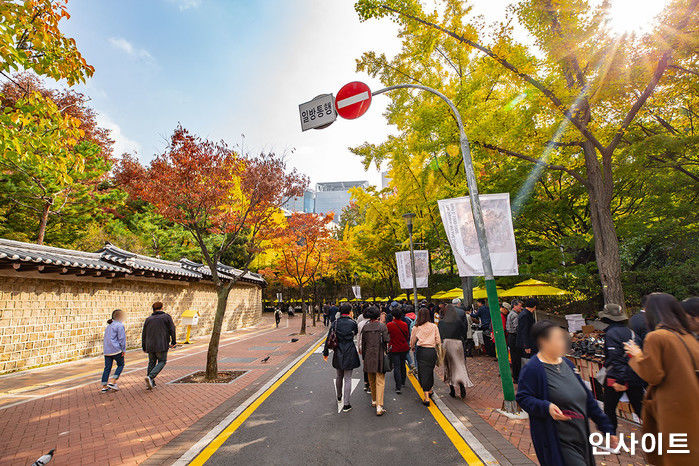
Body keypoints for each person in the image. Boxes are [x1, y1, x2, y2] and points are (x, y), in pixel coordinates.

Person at [516, 320, 616, 466]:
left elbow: (587, 399)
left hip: (581, 437)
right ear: (544, 342)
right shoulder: (533, 369)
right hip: (557, 441)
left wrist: (607, 428)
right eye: (557, 338)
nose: (563, 342)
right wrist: (546, 407)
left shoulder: (567, 364)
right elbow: (523, 398)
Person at [624, 293, 699, 466]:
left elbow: (653, 375)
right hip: (692, 405)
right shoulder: (689, 337)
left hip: (673, 408)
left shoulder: (657, 337)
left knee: (675, 456)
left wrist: (636, 355)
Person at [598, 303, 643, 432]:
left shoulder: (611, 333)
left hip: (617, 377)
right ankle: (657, 433)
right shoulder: (631, 332)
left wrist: (620, 381)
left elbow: (615, 359)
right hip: (635, 375)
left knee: (609, 409)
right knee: (640, 408)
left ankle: (610, 436)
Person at [322, 303, 360, 412]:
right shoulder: (353, 323)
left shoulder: (335, 323)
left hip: (338, 351)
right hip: (350, 350)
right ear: (349, 311)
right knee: (348, 378)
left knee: (339, 375)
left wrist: (325, 352)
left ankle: (339, 396)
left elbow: (328, 337)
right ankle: (347, 404)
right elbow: (355, 333)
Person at [438, 304, 474, 398]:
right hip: (458, 344)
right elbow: (464, 331)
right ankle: (462, 386)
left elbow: (440, 335)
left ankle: (452, 389)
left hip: (446, 344)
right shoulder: (458, 321)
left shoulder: (441, 323)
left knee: (448, 366)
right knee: (459, 364)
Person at [360, 306, 390, 416]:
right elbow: (387, 340)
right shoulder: (382, 326)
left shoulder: (365, 327)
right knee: (380, 380)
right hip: (379, 355)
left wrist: (363, 357)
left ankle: (373, 400)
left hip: (368, 355)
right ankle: (379, 406)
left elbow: (363, 344)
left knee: (371, 379)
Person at [410, 307, 441, 406]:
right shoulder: (434, 326)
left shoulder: (416, 327)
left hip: (422, 351)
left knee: (423, 372)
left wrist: (412, 347)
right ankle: (430, 389)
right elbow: (438, 341)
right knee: (430, 371)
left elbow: (412, 340)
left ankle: (426, 397)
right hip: (431, 351)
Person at [141, 301, 176, 389]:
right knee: (162, 361)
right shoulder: (166, 317)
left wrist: (144, 346)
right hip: (161, 344)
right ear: (162, 308)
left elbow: (144, 333)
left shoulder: (148, 319)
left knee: (151, 362)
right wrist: (173, 342)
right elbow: (172, 329)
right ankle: (150, 377)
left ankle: (150, 383)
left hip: (150, 345)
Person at [386, 307, 410, 394]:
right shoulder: (404, 324)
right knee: (403, 364)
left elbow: (387, 336)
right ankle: (403, 381)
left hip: (394, 347)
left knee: (396, 366)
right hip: (403, 347)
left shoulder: (389, 325)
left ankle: (398, 386)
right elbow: (407, 336)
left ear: (393, 316)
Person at [101, 309, 126, 392]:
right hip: (116, 349)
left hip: (107, 350)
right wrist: (123, 349)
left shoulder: (108, 326)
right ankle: (113, 382)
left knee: (107, 368)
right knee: (121, 364)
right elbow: (122, 338)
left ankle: (104, 387)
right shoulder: (119, 325)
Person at [516, 298, 538, 362]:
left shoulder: (526, 313)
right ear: (534, 306)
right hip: (527, 343)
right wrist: (526, 346)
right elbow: (524, 331)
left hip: (528, 342)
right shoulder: (525, 315)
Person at [507, 299, 522, 380]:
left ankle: (515, 375)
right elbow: (517, 328)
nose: (521, 307)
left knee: (513, 357)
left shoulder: (510, 314)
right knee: (516, 358)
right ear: (514, 306)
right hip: (514, 337)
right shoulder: (515, 315)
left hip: (510, 336)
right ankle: (516, 376)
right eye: (519, 305)